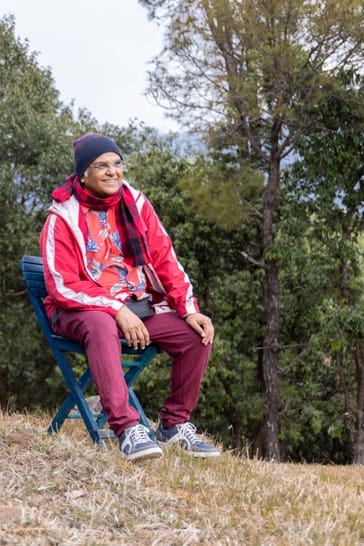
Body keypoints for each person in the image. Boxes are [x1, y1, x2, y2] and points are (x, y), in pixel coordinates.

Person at [39, 133, 220, 462]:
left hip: (135, 305)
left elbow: (165, 258)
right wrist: (115, 309)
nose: (112, 172)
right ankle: (127, 428)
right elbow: (62, 286)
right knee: (100, 323)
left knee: (196, 334)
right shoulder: (61, 217)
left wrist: (189, 308)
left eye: (117, 164)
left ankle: (175, 425)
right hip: (79, 310)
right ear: (83, 174)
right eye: (101, 165)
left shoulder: (135, 203)